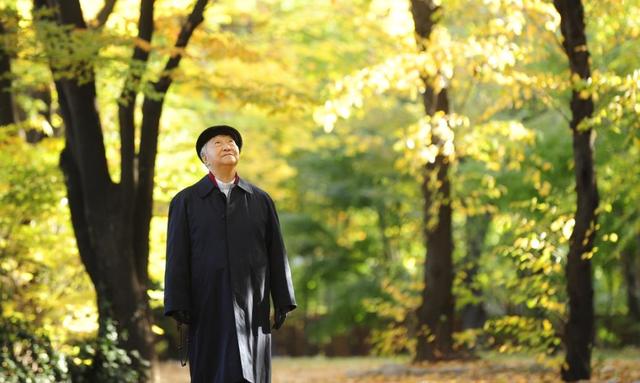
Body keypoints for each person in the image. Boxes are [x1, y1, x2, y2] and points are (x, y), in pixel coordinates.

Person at [164, 125, 297, 383]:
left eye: (231, 142)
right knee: (213, 369)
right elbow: (176, 256)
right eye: (218, 143)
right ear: (205, 159)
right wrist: (177, 303)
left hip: (253, 302)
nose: (227, 146)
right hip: (207, 302)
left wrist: (282, 298)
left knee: (253, 372)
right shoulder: (186, 201)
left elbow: (276, 251)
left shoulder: (260, 199)